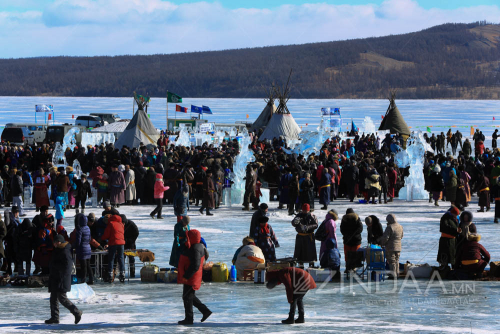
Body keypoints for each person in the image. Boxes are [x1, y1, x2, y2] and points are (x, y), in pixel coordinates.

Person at [45, 234, 83, 325]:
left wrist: (60, 274)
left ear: (59, 242)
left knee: (62, 298)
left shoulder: (65, 251)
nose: (54, 244)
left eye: (55, 242)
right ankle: (54, 317)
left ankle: (76, 312)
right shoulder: (58, 250)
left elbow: (67, 266)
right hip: (55, 277)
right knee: (53, 298)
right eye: (54, 242)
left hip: (61, 278)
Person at [177, 229, 212, 325]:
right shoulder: (198, 246)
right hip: (193, 275)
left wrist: (186, 276)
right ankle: (205, 311)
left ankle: (189, 319)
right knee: (189, 296)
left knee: (187, 297)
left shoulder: (195, 248)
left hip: (192, 276)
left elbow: (195, 265)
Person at [291, 203, 318, 268]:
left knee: (310, 253)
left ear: (309, 210)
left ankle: (311, 266)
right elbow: (293, 223)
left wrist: (307, 227)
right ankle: (300, 266)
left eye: (306, 210)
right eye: (304, 210)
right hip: (300, 237)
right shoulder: (298, 215)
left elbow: (316, 225)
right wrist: (295, 222)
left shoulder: (312, 216)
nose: (305, 212)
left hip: (309, 237)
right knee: (300, 253)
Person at [378, 214, 404, 279]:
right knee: (397, 260)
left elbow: (385, 238)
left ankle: (393, 275)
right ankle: (397, 273)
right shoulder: (400, 226)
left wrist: (381, 243)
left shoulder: (390, 227)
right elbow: (401, 236)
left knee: (392, 261)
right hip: (398, 247)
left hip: (390, 247)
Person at [101, 214, 126, 283]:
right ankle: (122, 273)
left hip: (113, 243)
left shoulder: (111, 224)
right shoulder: (121, 224)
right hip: (121, 243)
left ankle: (110, 273)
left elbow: (106, 234)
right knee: (121, 258)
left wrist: (102, 238)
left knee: (111, 258)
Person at [72, 213, 93, 285]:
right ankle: (91, 279)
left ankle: (83, 279)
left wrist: (73, 246)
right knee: (88, 265)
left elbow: (78, 241)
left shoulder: (79, 229)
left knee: (83, 266)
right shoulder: (88, 228)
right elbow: (89, 238)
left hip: (82, 249)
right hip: (88, 248)